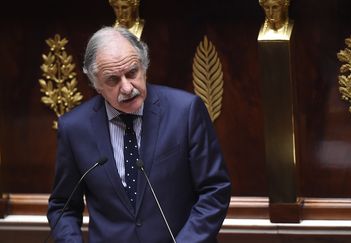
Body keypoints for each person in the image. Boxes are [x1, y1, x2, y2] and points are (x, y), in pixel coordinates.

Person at [47, 26, 231, 243]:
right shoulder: (74, 128)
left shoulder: (186, 111)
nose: (126, 87)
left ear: (144, 67)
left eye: (132, 73)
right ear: (97, 85)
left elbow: (214, 190)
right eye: (113, 80)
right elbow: (63, 207)